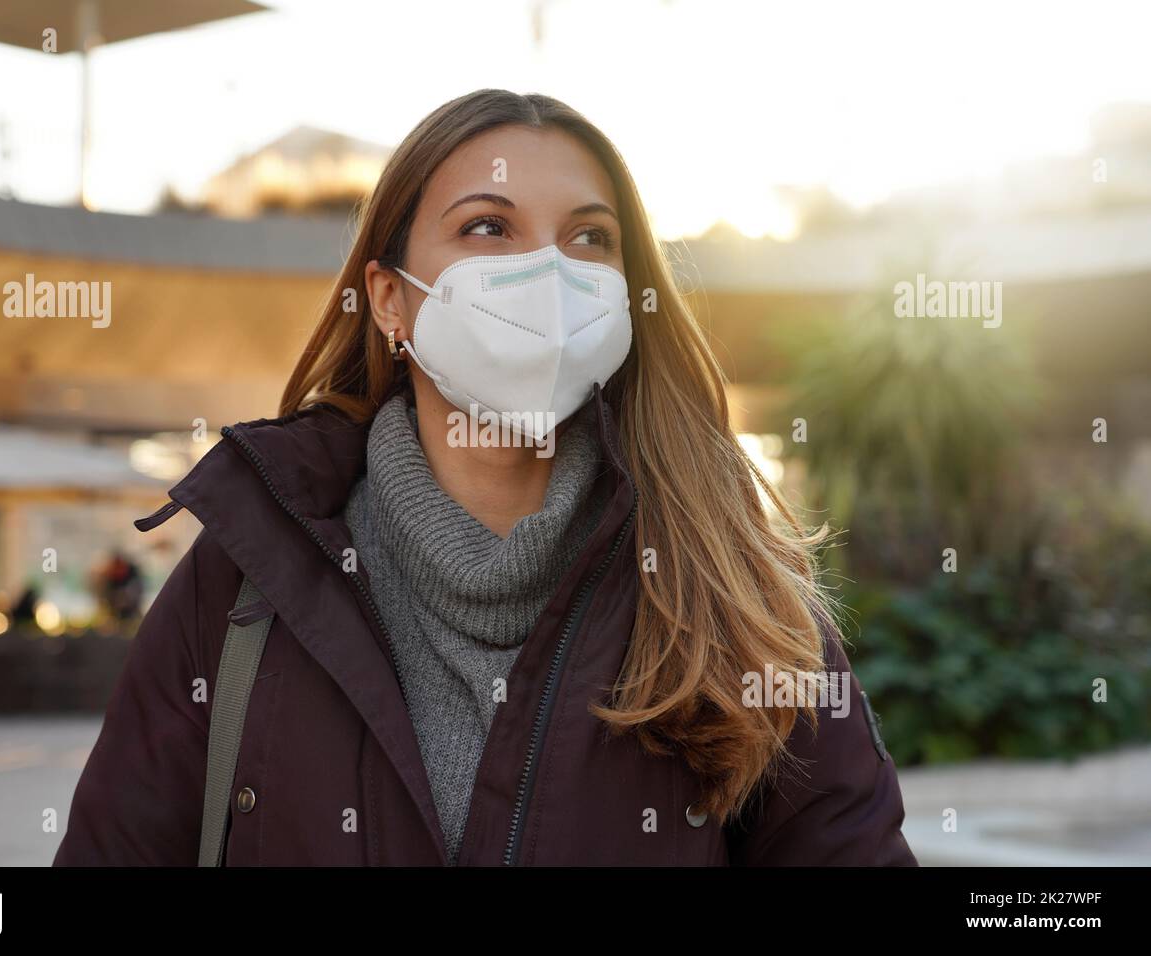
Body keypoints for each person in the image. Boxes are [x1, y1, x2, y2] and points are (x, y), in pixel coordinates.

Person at [55, 89, 916, 866]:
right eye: (488, 228)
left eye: (589, 237)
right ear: (390, 300)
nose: (549, 273)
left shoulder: (730, 594)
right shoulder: (245, 583)